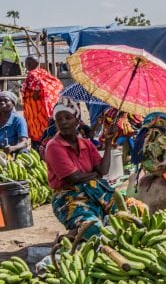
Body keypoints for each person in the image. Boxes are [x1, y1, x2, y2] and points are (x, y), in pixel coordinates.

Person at [45, 97, 120, 238]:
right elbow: (73, 177)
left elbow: (103, 171)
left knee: (128, 213)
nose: (63, 122)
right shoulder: (54, 146)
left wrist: (109, 142)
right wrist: (94, 175)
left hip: (95, 192)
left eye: (68, 117)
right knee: (93, 229)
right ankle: (69, 237)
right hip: (69, 197)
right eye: (59, 119)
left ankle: (82, 230)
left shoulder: (87, 144)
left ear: (78, 120)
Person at [20, 56, 63, 147]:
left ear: (29, 64)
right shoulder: (43, 71)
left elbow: (37, 85)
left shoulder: (32, 74)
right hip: (45, 105)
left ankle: (39, 145)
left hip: (36, 107)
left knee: (37, 126)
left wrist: (35, 94)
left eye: (26, 63)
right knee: (45, 123)